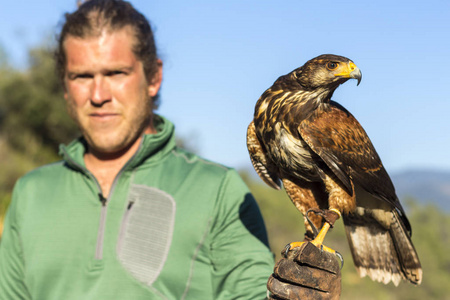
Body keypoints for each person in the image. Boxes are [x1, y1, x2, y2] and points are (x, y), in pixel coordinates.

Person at [0, 0, 341, 299]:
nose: (98, 94)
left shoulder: (218, 190)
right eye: (82, 76)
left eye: (115, 72)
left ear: (153, 77)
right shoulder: (31, 193)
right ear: (64, 85)